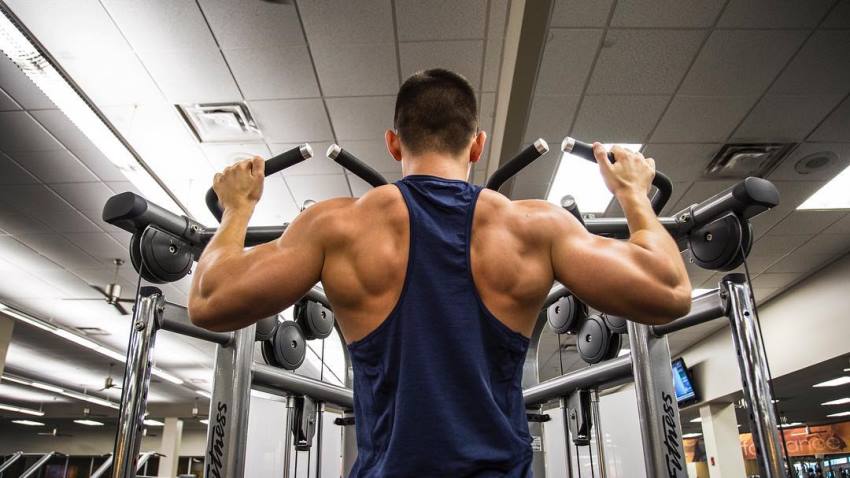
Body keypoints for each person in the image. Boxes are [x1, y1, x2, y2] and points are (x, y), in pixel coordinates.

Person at [188, 68, 692, 477]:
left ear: (392, 143)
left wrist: (238, 208)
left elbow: (209, 301)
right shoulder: (532, 226)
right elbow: (670, 291)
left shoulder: (337, 226)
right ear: (476, 145)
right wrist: (631, 193)